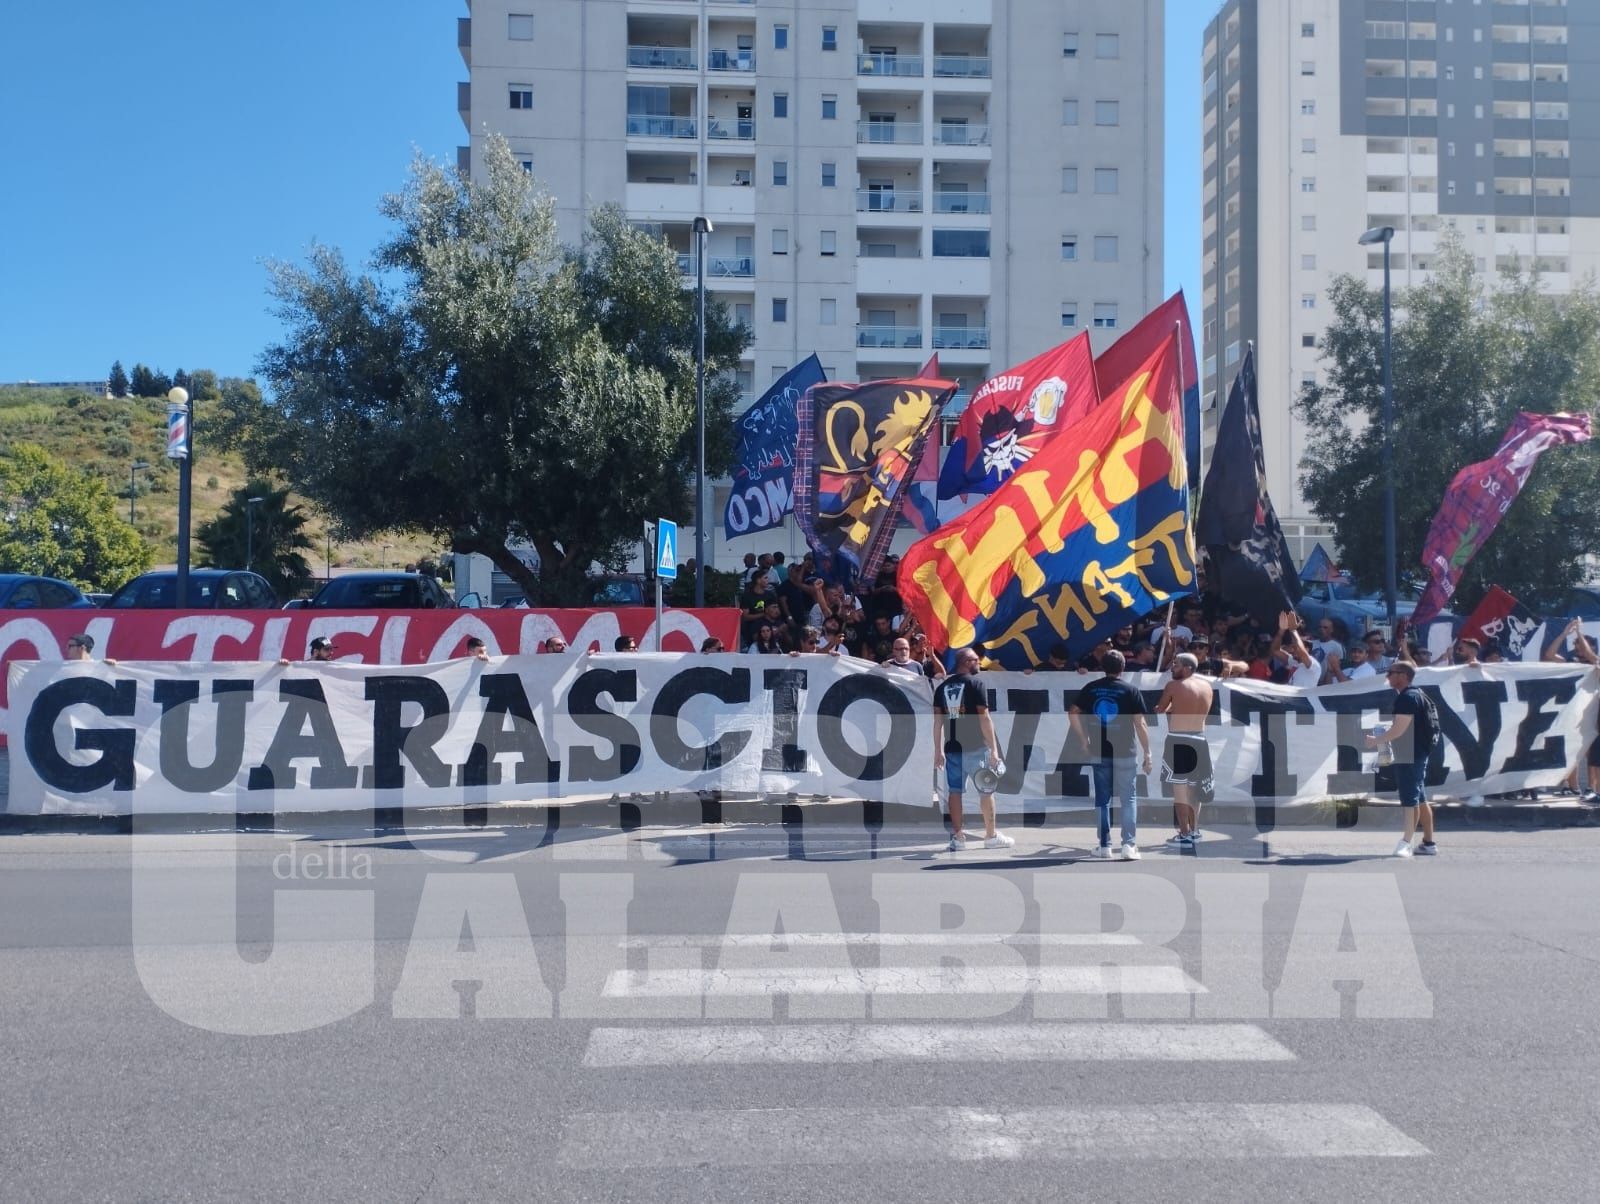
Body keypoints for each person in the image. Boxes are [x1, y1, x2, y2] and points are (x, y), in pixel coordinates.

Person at [1069, 649, 1153, 860]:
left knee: (1102, 799)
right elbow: (1140, 723)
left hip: (1099, 749)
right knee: (1128, 799)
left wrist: (1083, 740)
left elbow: (1073, 712)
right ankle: (1128, 845)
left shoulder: (1091, 688)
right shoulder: (1130, 690)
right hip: (1126, 750)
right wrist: (1148, 752)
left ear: (1102, 667)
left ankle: (1105, 845)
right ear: (1123, 668)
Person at [932, 647, 1013, 851]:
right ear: (966, 662)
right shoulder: (976, 683)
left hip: (952, 749)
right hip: (976, 747)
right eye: (976, 660)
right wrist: (994, 750)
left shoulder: (942, 688)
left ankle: (958, 838)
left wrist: (937, 750)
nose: (979, 663)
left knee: (955, 792)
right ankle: (991, 836)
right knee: (986, 791)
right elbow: (984, 718)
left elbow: (937, 722)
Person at [1365, 661, 1440, 858]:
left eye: (1391, 673)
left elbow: (1399, 729)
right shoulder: (1420, 695)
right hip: (1418, 752)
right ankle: (1428, 843)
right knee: (1420, 797)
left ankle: (1406, 842)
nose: (1388, 676)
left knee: (1410, 799)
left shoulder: (1407, 698)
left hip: (1411, 754)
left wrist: (1376, 740)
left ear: (1403, 675)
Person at [1154, 652, 1214, 847]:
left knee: (1180, 790)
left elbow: (1161, 708)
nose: (1172, 667)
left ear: (1188, 667)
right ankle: (1195, 830)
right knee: (1195, 790)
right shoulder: (1207, 686)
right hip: (1199, 739)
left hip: (1178, 740)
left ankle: (1185, 833)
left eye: (1176, 664)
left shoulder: (1173, 686)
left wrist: (1166, 706)